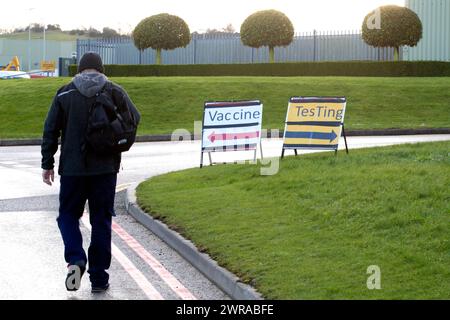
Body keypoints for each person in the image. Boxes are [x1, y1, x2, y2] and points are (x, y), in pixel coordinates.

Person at [41, 52, 140, 293]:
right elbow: (133, 120)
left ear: (81, 69)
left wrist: (47, 163)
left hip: (73, 170)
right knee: (101, 221)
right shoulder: (115, 91)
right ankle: (98, 278)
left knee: (67, 216)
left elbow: (50, 129)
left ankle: (75, 259)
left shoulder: (65, 92)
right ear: (100, 69)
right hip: (105, 170)